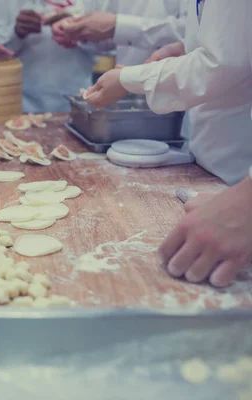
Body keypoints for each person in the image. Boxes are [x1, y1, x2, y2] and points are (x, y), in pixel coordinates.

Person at [83, 0, 252, 286]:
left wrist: (246, 202)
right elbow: (233, 46)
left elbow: (224, 63)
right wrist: (188, 48)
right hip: (220, 165)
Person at [0, 0, 99, 113]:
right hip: (18, 105)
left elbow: (111, 48)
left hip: (77, 104)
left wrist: (81, 31)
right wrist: (16, 33)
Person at [52, 0, 188, 66]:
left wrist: (117, 26)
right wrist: (78, 31)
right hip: (129, 91)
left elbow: (191, 34)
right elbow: (113, 38)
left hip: (182, 96)